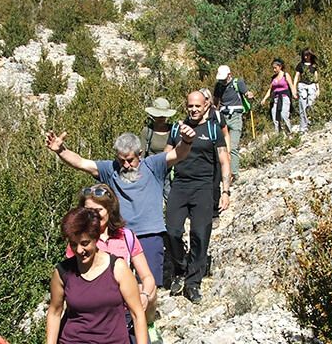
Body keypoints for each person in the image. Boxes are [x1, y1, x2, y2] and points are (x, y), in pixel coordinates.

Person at [46, 123, 195, 288]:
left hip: (150, 235)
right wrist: (61, 150)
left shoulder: (153, 165)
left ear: (140, 154)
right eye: (121, 160)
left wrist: (187, 140)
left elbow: (178, 154)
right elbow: (82, 163)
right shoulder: (111, 169)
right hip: (119, 236)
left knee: (148, 285)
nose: (125, 165)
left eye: (130, 160)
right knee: (114, 285)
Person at [164, 90, 231, 304]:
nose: (193, 109)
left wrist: (226, 191)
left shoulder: (213, 129)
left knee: (200, 235)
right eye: (190, 106)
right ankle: (180, 268)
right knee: (173, 231)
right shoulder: (176, 128)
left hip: (203, 188)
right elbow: (164, 159)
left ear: (206, 106)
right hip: (180, 186)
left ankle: (193, 283)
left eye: (197, 106)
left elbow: (223, 159)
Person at [69, 183, 158, 341]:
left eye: (99, 210)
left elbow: (147, 278)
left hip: (127, 316)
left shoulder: (127, 237)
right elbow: (71, 281)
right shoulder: (78, 243)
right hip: (93, 321)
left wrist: (144, 295)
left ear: (110, 210)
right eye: (89, 211)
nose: (94, 216)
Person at [47, 207, 147, 344]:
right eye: (73, 245)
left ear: (96, 238)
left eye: (84, 243)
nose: (79, 250)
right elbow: (54, 312)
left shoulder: (118, 268)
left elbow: (137, 313)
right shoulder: (62, 272)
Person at [212, 65, 253, 182]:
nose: (222, 81)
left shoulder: (238, 82)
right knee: (221, 146)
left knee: (233, 147)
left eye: (224, 79)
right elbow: (216, 101)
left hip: (235, 117)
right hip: (223, 117)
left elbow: (245, 93)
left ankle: (234, 174)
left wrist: (249, 95)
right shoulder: (219, 86)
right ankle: (222, 172)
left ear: (229, 75)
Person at [200, 87, 229, 228]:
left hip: (216, 155)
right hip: (201, 157)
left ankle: (214, 214)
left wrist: (227, 152)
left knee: (214, 185)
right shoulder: (193, 117)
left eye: (205, 98)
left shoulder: (216, 115)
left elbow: (225, 133)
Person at [260, 59, 295, 134]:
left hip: (285, 97)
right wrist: (264, 99)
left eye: (275, 68)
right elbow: (270, 89)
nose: (274, 70)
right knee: (275, 117)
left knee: (284, 115)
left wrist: (294, 93)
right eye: (273, 68)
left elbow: (291, 85)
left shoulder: (286, 75)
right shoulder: (273, 78)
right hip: (275, 99)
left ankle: (289, 132)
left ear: (280, 67)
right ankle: (278, 135)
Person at [293, 48, 320, 133]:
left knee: (311, 104)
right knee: (302, 105)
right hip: (302, 85)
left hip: (311, 85)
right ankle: (303, 126)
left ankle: (311, 123)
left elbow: (316, 78)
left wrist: (318, 88)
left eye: (307, 55)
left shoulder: (314, 65)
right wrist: (294, 87)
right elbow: (296, 76)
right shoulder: (300, 65)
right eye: (304, 55)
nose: (306, 57)